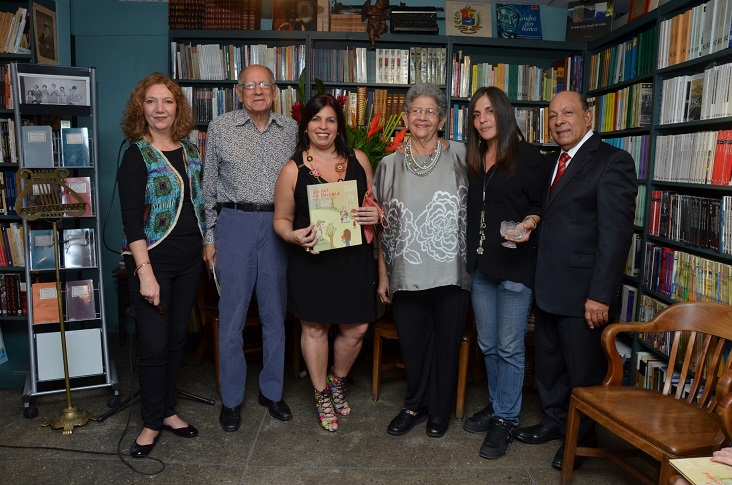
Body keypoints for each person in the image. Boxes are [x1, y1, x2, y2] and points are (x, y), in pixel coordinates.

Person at [514, 91, 637, 471]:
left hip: (585, 294)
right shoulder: (552, 162)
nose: (559, 122)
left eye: (567, 113)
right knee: (550, 365)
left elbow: (616, 237)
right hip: (548, 286)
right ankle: (554, 422)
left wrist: (600, 296)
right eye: (552, 116)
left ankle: (581, 439)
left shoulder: (613, 161)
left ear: (588, 117)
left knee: (583, 370)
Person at [273, 94, 379, 432]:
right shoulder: (293, 169)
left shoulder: (359, 160)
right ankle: (321, 394)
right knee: (315, 329)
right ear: (305, 126)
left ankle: (337, 381)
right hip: (312, 262)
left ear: (339, 126)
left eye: (330, 120)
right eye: (316, 120)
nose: (323, 126)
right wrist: (293, 236)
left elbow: (372, 205)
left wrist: (375, 215)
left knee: (357, 328)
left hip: (354, 258)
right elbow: (281, 220)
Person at [373, 83, 471, 439]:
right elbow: (379, 225)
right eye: (416, 110)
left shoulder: (462, 155)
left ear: (442, 120)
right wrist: (384, 275)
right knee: (412, 344)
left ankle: (439, 411)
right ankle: (414, 405)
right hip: (405, 271)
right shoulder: (388, 165)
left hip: (452, 271)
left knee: (446, 344)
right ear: (405, 118)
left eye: (431, 111)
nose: (423, 117)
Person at [202, 64, 297, 433]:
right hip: (234, 223)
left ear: (275, 90)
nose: (258, 91)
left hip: (277, 225)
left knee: (275, 314)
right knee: (233, 318)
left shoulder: (291, 129)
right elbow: (208, 187)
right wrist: (209, 237)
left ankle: (271, 392)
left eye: (264, 84)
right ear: (238, 91)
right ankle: (231, 399)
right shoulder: (220, 127)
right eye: (250, 85)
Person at [118, 72, 205, 458]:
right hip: (151, 262)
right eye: (151, 101)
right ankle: (151, 422)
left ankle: (168, 411)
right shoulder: (136, 154)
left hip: (189, 260)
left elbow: (200, 203)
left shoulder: (191, 151)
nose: (159, 109)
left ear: (177, 107)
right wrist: (145, 272)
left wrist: (208, 244)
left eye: (167, 101)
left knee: (175, 340)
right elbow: (130, 220)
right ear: (141, 108)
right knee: (153, 344)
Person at [462, 87, 548, 459]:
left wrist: (529, 223)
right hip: (483, 266)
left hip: (515, 266)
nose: (482, 119)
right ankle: (499, 405)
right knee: (488, 344)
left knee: (510, 347)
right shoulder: (475, 157)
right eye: (476, 114)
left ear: (503, 112)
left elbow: (539, 204)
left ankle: (507, 419)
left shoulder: (528, 156)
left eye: (488, 111)